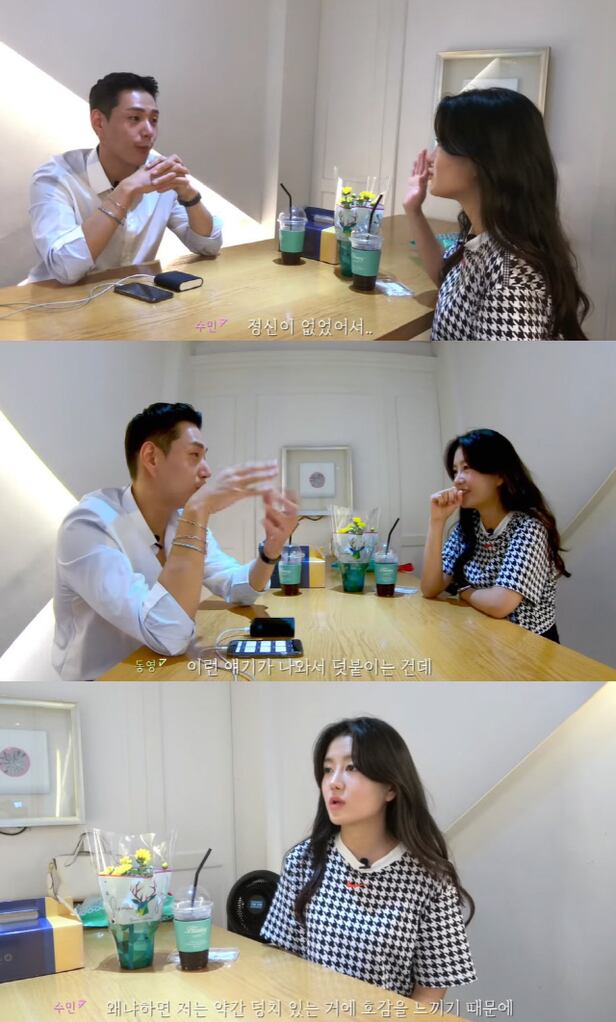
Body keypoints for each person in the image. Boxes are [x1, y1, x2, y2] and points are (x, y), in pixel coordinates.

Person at [53, 402, 298, 681]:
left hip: (163, 669)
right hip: (107, 681)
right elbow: (167, 636)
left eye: (205, 457)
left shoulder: (180, 518)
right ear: (152, 458)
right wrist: (199, 510)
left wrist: (270, 551)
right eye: (194, 455)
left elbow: (237, 589)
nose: (207, 471)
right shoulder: (89, 525)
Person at [261, 717, 476, 1003]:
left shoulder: (430, 878)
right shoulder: (303, 862)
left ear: (391, 788)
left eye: (352, 768)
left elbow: (430, 989)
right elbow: (283, 957)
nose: (334, 783)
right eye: (328, 770)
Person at [403, 87, 590, 340]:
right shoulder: (487, 236)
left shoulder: (512, 281)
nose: (431, 157)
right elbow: (447, 278)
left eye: (442, 144)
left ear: (482, 160)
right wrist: (414, 210)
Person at [29, 73, 222, 284]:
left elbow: (209, 246)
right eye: (134, 118)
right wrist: (126, 190)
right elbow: (65, 269)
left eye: (154, 120)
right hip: (58, 300)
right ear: (99, 123)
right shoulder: (56, 177)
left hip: (133, 295)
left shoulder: (158, 172)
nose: (149, 131)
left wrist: (189, 195)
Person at [421, 428, 569, 640]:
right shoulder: (468, 526)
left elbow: (500, 604)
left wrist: (463, 590)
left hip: (529, 643)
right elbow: (430, 587)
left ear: (499, 475)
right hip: (484, 636)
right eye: (455, 471)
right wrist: (436, 521)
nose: (457, 480)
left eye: (466, 468)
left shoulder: (529, 527)